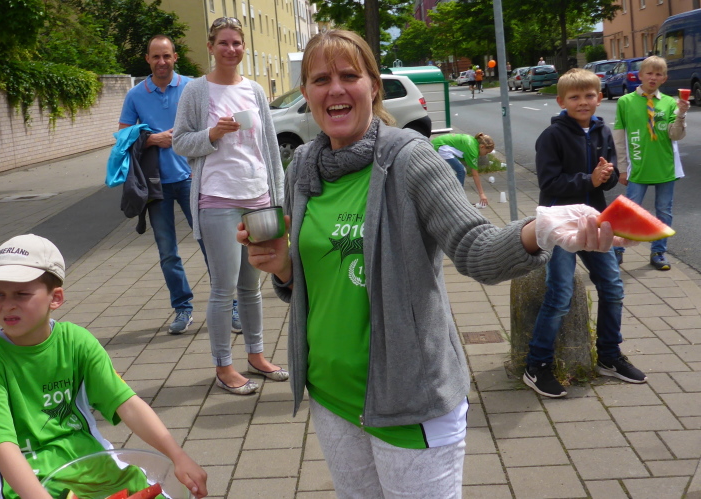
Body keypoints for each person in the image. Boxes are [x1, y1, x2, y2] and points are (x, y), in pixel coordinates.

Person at [237, 29, 619, 498]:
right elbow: (316, 281)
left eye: (349, 76)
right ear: (306, 93)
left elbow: (475, 247)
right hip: (329, 395)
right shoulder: (302, 168)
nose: (335, 89)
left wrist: (540, 229)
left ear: (373, 86)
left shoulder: (410, 161)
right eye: (320, 79)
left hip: (409, 400)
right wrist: (283, 267)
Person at [0, 234, 208, 499]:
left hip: (90, 463)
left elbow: (126, 403)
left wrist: (177, 455)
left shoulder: (76, 341)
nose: (8, 305)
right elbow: (1, 443)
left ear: (55, 298)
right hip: (29, 475)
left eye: (22, 294)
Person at [172, 17, 288, 395]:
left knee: (252, 287)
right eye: (223, 43)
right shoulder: (196, 90)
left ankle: (257, 356)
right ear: (211, 47)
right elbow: (180, 142)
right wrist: (212, 133)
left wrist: (278, 198)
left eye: (237, 43)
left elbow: (269, 148)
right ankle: (224, 367)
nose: (231, 49)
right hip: (218, 199)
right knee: (224, 289)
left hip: (257, 198)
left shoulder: (254, 90)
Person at [524, 69, 647, 398]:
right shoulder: (551, 137)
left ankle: (609, 356)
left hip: (594, 219)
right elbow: (549, 183)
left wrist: (607, 176)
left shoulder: (602, 130)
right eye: (574, 97)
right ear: (561, 101)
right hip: (561, 225)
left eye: (589, 95)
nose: (583, 102)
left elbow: (608, 179)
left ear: (599, 97)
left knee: (613, 288)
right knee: (560, 296)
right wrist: (588, 180)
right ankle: (536, 365)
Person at [119, 35, 242, 335]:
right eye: (155, 56)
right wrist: (153, 139)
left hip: (193, 179)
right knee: (168, 252)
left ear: (175, 57)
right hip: (155, 185)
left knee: (211, 246)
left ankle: (231, 306)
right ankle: (183, 308)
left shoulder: (193, 87)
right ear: (147, 60)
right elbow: (122, 137)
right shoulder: (135, 95)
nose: (161, 62)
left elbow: (212, 125)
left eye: (166, 56)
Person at [612, 55, 690, 270]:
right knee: (630, 210)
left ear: (664, 78)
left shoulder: (670, 103)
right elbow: (619, 138)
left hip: (665, 167)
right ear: (640, 75)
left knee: (664, 211)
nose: (653, 78)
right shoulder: (625, 102)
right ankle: (617, 251)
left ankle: (658, 252)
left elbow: (675, 135)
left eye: (658, 74)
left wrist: (681, 115)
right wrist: (621, 169)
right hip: (638, 166)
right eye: (649, 73)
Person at [431, 132, 493, 207]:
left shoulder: (474, 142)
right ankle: (459, 200)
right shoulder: (472, 150)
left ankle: (452, 197)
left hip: (439, 144)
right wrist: (482, 194)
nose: (485, 154)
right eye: (486, 152)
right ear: (482, 146)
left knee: (455, 171)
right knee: (461, 170)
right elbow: (475, 175)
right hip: (440, 147)